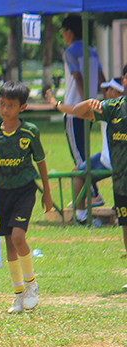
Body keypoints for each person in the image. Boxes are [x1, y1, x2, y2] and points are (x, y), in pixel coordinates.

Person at [0, 81, 54, 314]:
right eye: (2, 103)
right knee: (8, 242)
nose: (6, 109)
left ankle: (31, 284)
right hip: (4, 193)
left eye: (11, 105)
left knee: (18, 237)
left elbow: (41, 162)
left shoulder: (30, 132)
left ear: (22, 107)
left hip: (24, 190)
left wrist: (46, 192)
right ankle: (18, 295)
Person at [54, 70, 127, 259]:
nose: (107, 92)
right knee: (125, 227)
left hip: (113, 170)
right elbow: (78, 112)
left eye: (110, 89)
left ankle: (81, 212)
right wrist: (86, 103)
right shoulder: (113, 108)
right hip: (121, 180)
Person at [60, 15, 106, 213]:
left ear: (69, 31)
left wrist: (85, 101)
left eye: (63, 31)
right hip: (93, 109)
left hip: (75, 110)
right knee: (85, 151)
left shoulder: (71, 51)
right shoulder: (92, 51)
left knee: (79, 157)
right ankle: (90, 194)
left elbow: (77, 78)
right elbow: (102, 79)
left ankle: (93, 194)